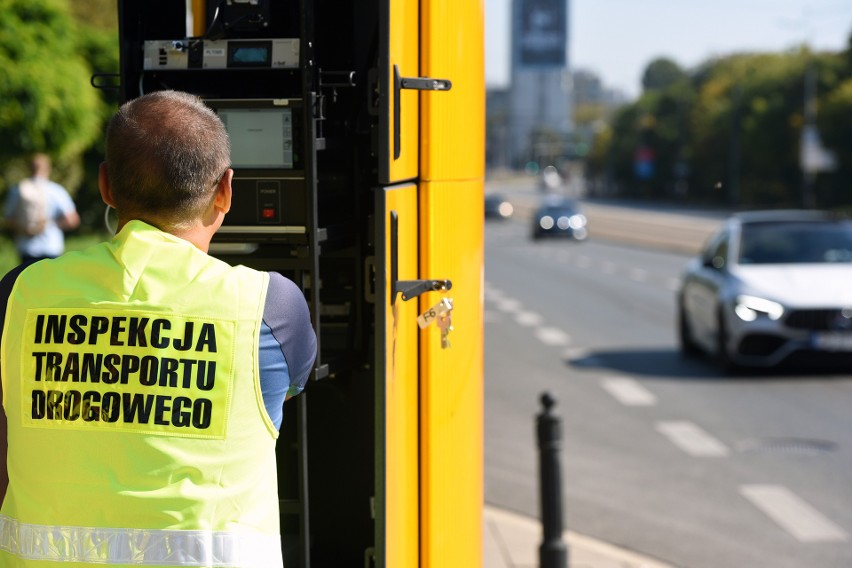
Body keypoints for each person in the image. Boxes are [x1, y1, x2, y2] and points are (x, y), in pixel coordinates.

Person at [0, 90, 317, 567]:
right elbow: (284, 392)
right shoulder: (273, 310)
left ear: (106, 187)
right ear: (225, 190)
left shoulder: (19, 295)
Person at [4, 152, 80, 263]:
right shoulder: (56, 190)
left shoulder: (17, 190)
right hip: (51, 247)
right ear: (48, 169)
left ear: (28, 168)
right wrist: (52, 224)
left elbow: (8, 220)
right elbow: (72, 220)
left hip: (26, 248)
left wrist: (25, 228)